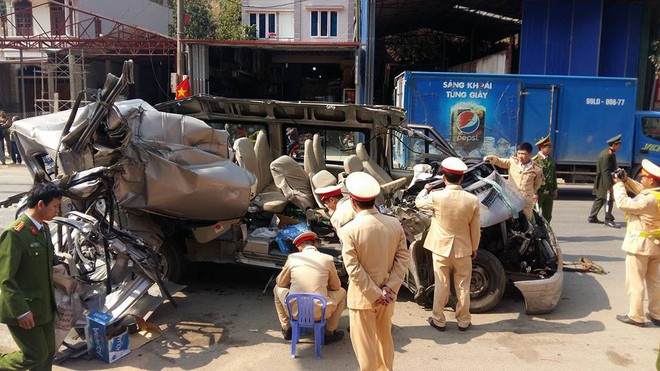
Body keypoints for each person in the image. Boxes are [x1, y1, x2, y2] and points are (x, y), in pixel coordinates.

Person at [338, 172, 409, 371]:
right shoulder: (394, 223)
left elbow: (353, 269)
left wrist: (375, 293)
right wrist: (389, 289)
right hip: (388, 297)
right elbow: (403, 258)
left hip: (362, 298)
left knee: (365, 349)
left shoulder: (349, 230)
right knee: (385, 341)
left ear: (353, 202)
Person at [0, 182, 63, 370]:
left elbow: (45, 262)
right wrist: (21, 311)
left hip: (44, 307)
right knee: (35, 354)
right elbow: (5, 278)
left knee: (49, 353)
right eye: (55, 206)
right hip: (24, 309)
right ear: (41, 204)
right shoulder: (15, 234)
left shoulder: (42, 229)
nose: (57, 211)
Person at [415, 157, 480, 331]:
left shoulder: (436, 197)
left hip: (440, 248)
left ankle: (439, 319)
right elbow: (475, 229)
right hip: (463, 248)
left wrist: (425, 189)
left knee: (441, 283)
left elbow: (418, 202)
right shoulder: (472, 200)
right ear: (462, 178)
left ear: (444, 177)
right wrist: (474, 248)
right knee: (463, 285)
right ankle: (464, 320)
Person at [273, 230, 346, 344]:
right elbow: (336, 287)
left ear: (299, 248)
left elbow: (281, 283)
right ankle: (330, 332)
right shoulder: (328, 259)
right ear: (315, 244)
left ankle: (287, 329)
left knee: (277, 289)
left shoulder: (293, 258)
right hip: (320, 312)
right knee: (342, 292)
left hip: (295, 311)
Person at [612, 159, 660, 327]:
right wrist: (626, 180)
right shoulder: (656, 195)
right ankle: (657, 313)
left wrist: (618, 185)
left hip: (640, 246)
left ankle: (636, 316)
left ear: (651, 180)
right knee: (654, 281)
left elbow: (624, 204)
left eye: (643, 177)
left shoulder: (648, 200)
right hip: (656, 246)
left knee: (635, 281)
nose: (641, 179)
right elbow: (642, 190)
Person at [484, 142, 542, 220]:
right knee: (510, 220)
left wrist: (529, 193)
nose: (520, 156)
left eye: (523, 154)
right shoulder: (513, 162)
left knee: (526, 221)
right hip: (512, 198)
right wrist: (491, 158)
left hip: (526, 200)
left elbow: (536, 185)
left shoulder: (537, 169)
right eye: (519, 153)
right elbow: (500, 161)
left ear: (530, 154)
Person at [589, 134, 621, 228]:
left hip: (603, 179)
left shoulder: (609, 152)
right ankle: (608, 219)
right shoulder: (607, 155)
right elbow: (605, 171)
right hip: (605, 180)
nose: (620, 146)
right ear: (614, 144)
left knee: (600, 198)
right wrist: (609, 185)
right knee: (609, 199)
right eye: (619, 144)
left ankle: (592, 216)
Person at [532, 135, 558, 223]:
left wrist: (555, 188)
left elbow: (553, 175)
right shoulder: (535, 161)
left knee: (548, 215)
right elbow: (532, 178)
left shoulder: (550, 159)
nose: (551, 148)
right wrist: (534, 193)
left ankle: (546, 233)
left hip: (549, 192)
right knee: (536, 214)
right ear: (542, 147)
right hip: (539, 192)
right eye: (549, 147)